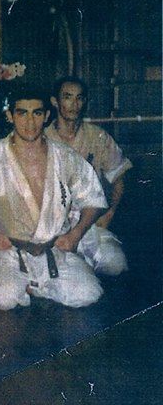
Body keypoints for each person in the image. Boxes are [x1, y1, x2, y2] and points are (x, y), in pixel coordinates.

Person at [0, 85, 107, 310]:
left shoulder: (65, 157)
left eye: (37, 113)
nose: (30, 122)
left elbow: (93, 199)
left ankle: (34, 286)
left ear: (47, 116)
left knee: (89, 293)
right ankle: (24, 284)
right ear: (10, 116)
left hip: (54, 249)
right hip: (8, 249)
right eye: (22, 113)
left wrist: (75, 234)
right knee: (2, 299)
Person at [45, 76, 131, 276]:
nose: (74, 104)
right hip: (53, 228)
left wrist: (110, 212)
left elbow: (119, 178)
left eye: (79, 98)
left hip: (91, 223)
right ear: (55, 101)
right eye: (67, 97)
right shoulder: (42, 139)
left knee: (115, 265)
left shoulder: (97, 137)